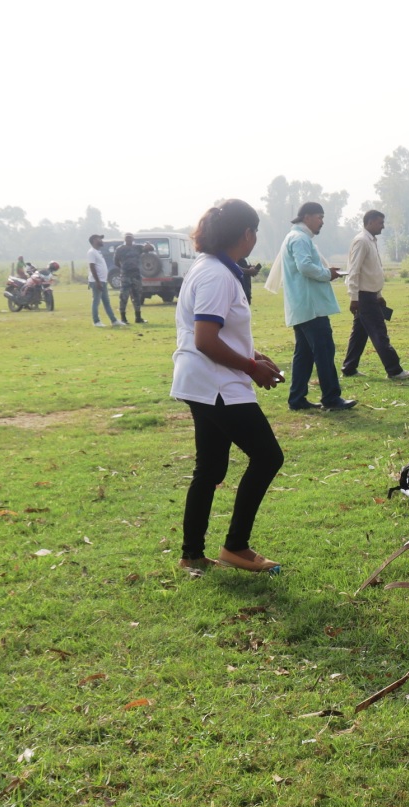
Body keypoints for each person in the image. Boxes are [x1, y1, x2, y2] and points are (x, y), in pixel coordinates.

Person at [171, 199, 287, 574]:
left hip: (204, 382)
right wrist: (252, 368)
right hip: (217, 384)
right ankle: (235, 546)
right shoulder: (217, 275)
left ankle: (192, 554)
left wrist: (256, 355)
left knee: (210, 469)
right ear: (247, 234)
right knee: (268, 457)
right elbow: (206, 339)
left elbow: (219, 331)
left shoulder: (212, 268)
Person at [279, 202, 355, 412]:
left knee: (304, 355)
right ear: (306, 217)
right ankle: (331, 398)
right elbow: (304, 266)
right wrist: (326, 274)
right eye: (319, 217)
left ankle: (297, 399)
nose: (322, 221)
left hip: (303, 306)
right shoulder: (300, 238)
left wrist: (326, 271)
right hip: (311, 307)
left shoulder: (295, 237)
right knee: (324, 351)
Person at [342, 210, 409, 381]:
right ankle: (394, 370)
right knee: (379, 332)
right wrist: (354, 298)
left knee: (359, 333)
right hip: (363, 296)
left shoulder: (370, 241)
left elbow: (373, 271)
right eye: (380, 223)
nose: (383, 226)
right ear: (371, 222)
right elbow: (354, 271)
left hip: (370, 294)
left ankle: (349, 367)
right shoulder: (361, 241)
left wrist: (378, 294)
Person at [113, 234, 149, 324]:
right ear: (124, 239)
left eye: (130, 237)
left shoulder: (137, 248)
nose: (128, 239)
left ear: (133, 239)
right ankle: (123, 318)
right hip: (126, 275)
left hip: (136, 275)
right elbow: (116, 261)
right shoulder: (120, 249)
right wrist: (123, 268)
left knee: (137, 296)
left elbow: (150, 248)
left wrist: (147, 245)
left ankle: (138, 317)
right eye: (127, 237)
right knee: (124, 296)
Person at [86, 234, 120, 327]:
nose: (101, 241)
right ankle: (96, 321)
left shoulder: (98, 252)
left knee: (106, 302)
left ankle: (114, 320)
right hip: (97, 281)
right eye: (99, 239)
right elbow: (92, 267)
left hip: (102, 281)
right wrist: (97, 281)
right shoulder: (91, 252)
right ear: (94, 241)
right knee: (96, 302)